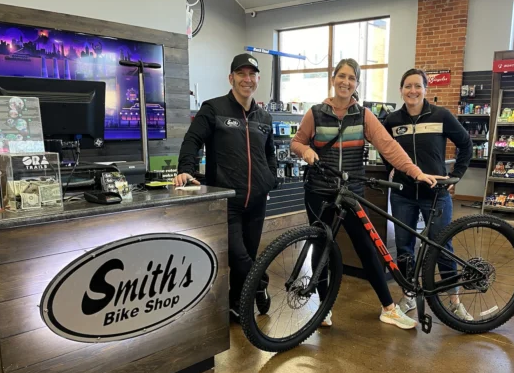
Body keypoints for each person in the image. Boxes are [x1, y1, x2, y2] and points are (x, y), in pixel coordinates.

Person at [290, 58, 440, 330]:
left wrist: (415, 171)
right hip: (319, 191)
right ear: (333, 79)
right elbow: (297, 142)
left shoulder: (363, 116)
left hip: (351, 194)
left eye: (351, 78)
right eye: (342, 76)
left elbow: (388, 147)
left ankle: (389, 308)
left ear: (357, 84)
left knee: (366, 248)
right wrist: (306, 150)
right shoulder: (315, 113)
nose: (345, 82)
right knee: (321, 247)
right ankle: (323, 308)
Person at [175, 53, 277, 322]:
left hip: (257, 201)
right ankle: (261, 283)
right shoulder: (213, 109)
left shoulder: (264, 117)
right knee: (238, 256)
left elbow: (269, 153)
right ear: (231, 78)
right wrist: (186, 169)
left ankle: (236, 305)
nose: (247, 79)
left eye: (252, 74)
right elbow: (192, 140)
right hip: (226, 200)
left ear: (258, 79)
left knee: (249, 254)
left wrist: (271, 178)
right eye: (241, 74)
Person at [383, 68, 473, 321]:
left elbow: (466, 143)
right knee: (404, 247)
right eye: (408, 86)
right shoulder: (392, 120)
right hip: (403, 193)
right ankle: (409, 294)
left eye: (417, 86)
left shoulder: (441, 115)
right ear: (401, 90)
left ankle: (454, 300)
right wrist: (391, 169)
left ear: (425, 89)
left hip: (435, 193)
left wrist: (457, 175)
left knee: (441, 246)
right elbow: (385, 148)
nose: (412, 91)